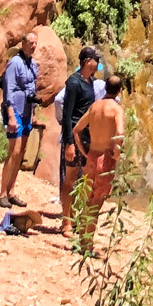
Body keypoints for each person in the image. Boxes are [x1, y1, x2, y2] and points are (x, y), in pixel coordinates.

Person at [71, 72, 126, 248]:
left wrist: (84, 152)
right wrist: (116, 154)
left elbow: (76, 130)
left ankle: (82, 239)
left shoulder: (94, 106)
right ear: (119, 91)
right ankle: (87, 244)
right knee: (97, 201)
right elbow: (120, 133)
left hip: (92, 156)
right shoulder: (117, 109)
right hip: (105, 158)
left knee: (88, 198)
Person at [0, 30, 39, 208]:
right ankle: (2, 193)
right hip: (15, 112)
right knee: (14, 150)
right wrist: (11, 115)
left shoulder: (33, 65)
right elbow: (8, 90)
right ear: (23, 44)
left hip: (27, 112)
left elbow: (31, 90)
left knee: (21, 152)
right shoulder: (15, 63)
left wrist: (33, 111)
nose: (33, 46)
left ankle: (11, 191)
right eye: (31, 43)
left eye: (35, 43)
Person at [58, 46, 101, 235]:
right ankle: (65, 222)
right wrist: (68, 143)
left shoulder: (90, 81)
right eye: (95, 60)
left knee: (83, 179)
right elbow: (67, 114)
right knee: (69, 179)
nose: (98, 63)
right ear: (86, 61)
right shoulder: (74, 83)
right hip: (74, 137)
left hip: (86, 137)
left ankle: (74, 217)